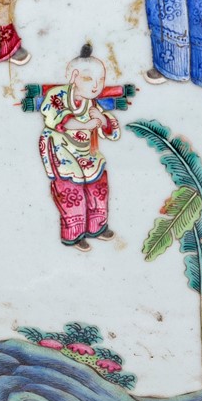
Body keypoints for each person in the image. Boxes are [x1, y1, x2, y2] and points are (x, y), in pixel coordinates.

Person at [38, 44, 120, 250]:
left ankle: (97, 226)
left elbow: (108, 129)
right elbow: (57, 120)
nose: (96, 86)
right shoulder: (57, 96)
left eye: (101, 80)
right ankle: (74, 234)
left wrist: (102, 119)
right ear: (74, 77)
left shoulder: (91, 103)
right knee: (70, 189)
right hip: (60, 149)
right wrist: (85, 125)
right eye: (89, 79)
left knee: (97, 182)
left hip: (84, 150)